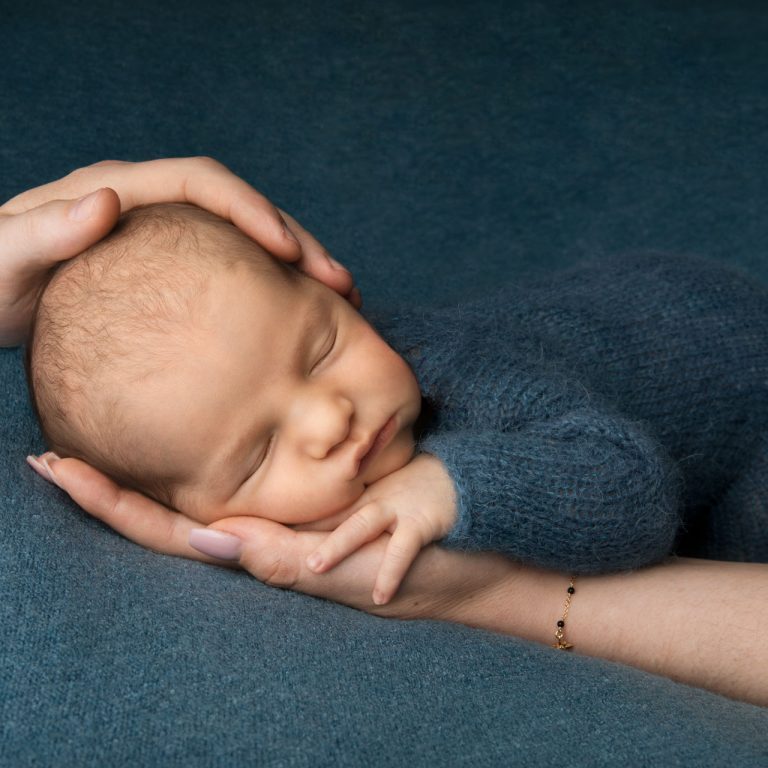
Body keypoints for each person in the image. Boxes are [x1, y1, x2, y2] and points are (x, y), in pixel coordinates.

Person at [5, 159, 767, 707]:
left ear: (334, 290)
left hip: (734, 367)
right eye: (259, 451)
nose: (328, 417)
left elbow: (631, 489)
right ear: (202, 513)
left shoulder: (454, 370)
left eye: (323, 348)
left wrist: (454, 486)